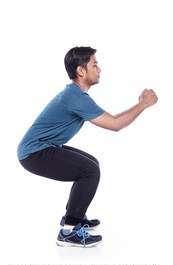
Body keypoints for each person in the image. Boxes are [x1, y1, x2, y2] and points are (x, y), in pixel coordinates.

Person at [17, 46, 158, 248]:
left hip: (41, 148)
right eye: (95, 64)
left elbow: (114, 119)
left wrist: (140, 104)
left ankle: (74, 215)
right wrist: (143, 104)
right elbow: (115, 125)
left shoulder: (76, 95)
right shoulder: (75, 97)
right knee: (89, 170)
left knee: (92, 163)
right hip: (33, 153)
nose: (99, 69)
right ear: (80, 71)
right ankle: (68, 231)